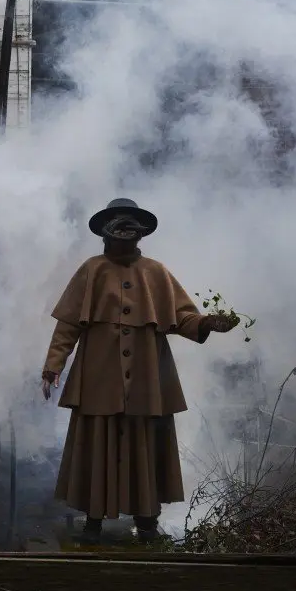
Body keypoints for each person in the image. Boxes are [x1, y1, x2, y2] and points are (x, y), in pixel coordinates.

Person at [40, 198, 237, 544]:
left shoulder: (156, 272)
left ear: (140, 234)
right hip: (98, 378)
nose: (124, 232)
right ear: (105, 233)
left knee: (145, 443)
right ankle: (93, 521)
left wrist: (209, 322)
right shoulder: (91, 270)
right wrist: (53, 365)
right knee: (97, 441)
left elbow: (183, 317)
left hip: (148, 378)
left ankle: (147, 521)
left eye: (131, 227)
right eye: (118, 226)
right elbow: (68, 325)